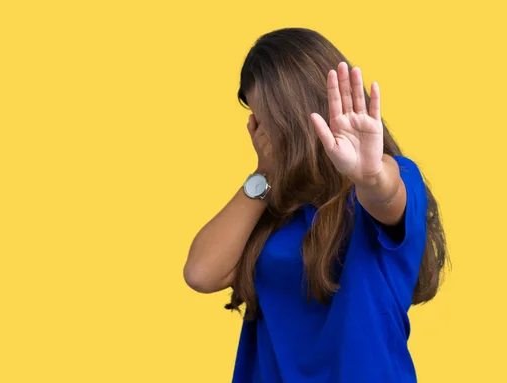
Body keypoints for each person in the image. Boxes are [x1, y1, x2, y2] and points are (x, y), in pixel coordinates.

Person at [183, 28, 449, 382]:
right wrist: (266, 173)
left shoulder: (389, 180)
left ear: (295, 115)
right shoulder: (273, 206)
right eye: (254, 120)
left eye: (264, 119)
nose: (258, 132)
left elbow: (387, 196)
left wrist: (369, 177)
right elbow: (200, 273)